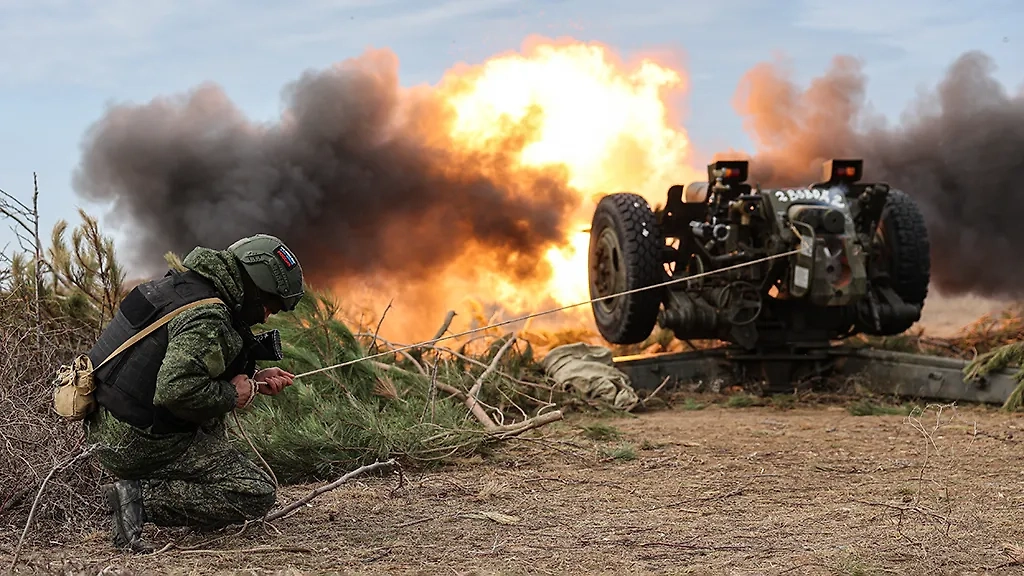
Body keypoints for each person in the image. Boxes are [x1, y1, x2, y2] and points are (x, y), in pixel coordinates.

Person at [82, 233, 305, 551]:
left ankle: (148, 490)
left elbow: (173, 365)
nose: (268, 315)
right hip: (136, 440)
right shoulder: (207, 316)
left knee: (215, 428)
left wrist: (254, 378)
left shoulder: (184, 289)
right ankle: (137, 499)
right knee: (257, 492)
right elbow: (175, 390)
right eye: (270, 305)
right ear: (255, 287)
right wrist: (232, 395)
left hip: (107, 426)